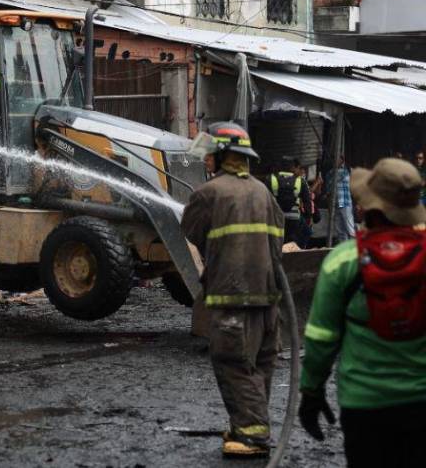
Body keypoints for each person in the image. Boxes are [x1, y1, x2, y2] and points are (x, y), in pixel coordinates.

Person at [298, 158, 426, 467]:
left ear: (371, 207)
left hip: (363, 403)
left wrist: (311, 392)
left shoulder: (343, 261)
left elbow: (320, 338)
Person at [181, 122, 285, 460]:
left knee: (234, 364)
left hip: (232, 295)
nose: (207, 160)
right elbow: (278, 239)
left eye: (211, 154)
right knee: (259, 364)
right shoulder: (263, 192)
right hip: (267, 298)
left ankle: (254, 438)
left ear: (225, 155)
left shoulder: (209, 193)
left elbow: (192, 231)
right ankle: (246, 426)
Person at [270, 156, 311, 245]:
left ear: (280, 166)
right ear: (292, 167)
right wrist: (308, 216)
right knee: (292, 244)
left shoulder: (272, 179)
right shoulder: (300, 181)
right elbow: (307, 201)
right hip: (294, 219)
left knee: (277, 244)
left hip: (277, 218)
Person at [332, 162, 356, 241]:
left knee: (349, 226)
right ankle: (344, 247)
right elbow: (329, 190)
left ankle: (354, 245)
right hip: (336, 202)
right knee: (340, 229)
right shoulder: (331, 172)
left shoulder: (347, 171)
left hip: (345, 201)